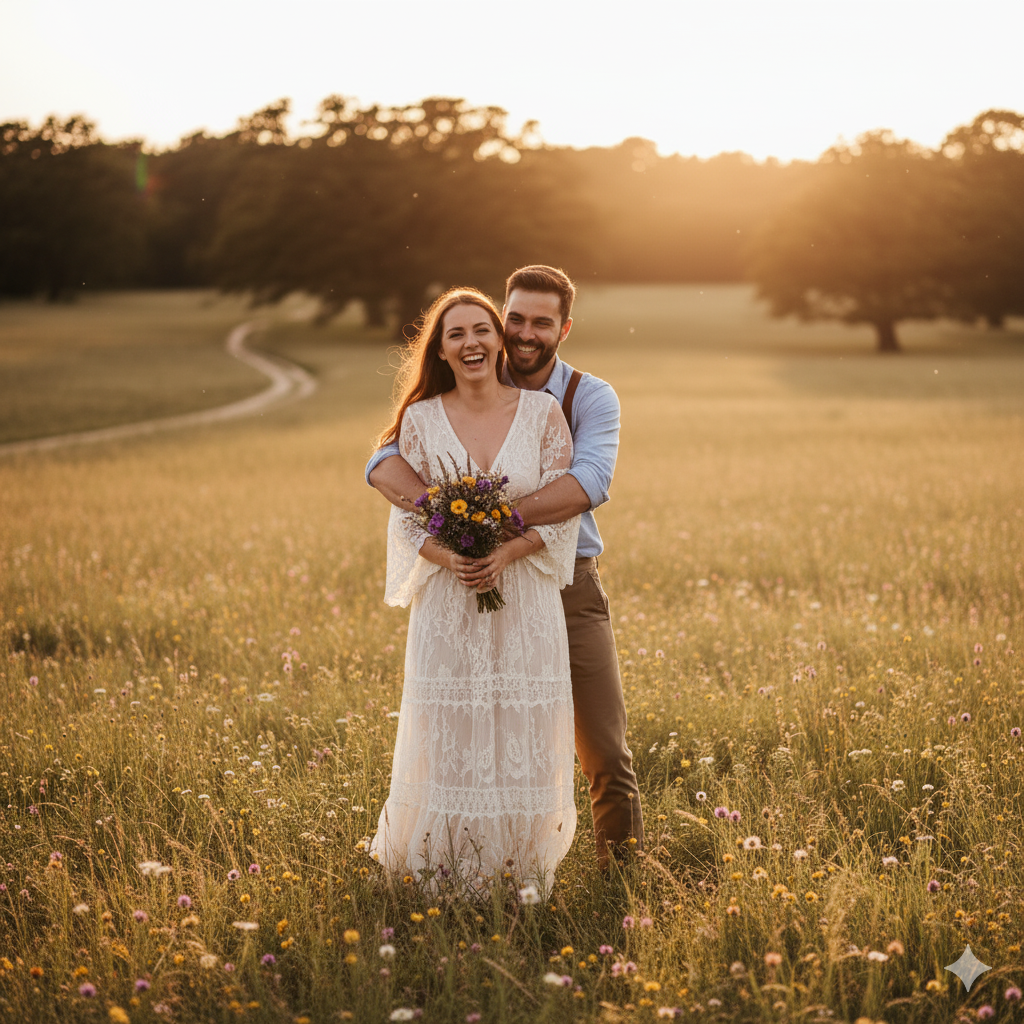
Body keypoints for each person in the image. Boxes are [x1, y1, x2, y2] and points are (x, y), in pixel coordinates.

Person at [367, 265, 644, 869]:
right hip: (465, 588)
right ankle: (464, 863)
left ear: (563, 329)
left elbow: (588, 482)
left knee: (601, 747)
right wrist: (447, 524)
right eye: (513, 318)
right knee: (467, 734)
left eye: (540, 323)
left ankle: (620, 877)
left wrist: (492, 523)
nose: (523, 333)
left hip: (563, 582)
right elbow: (386, 458)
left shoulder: (581, 398)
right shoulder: (447, 395)